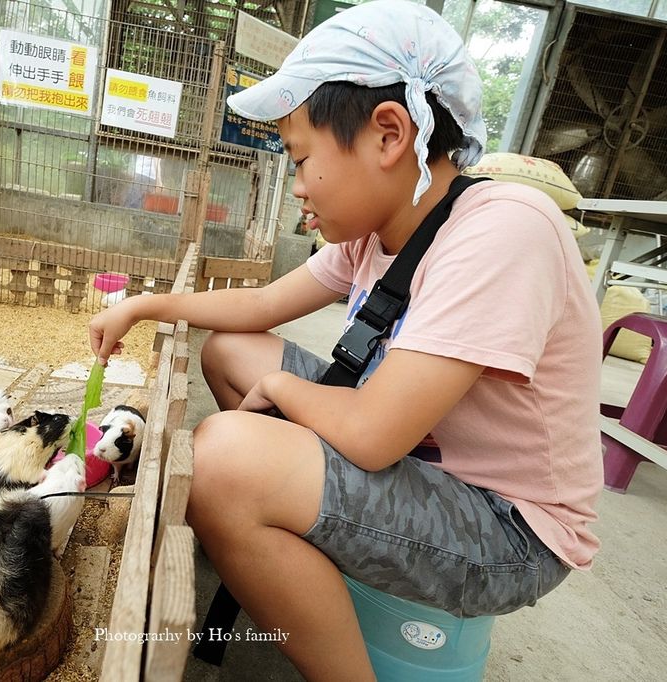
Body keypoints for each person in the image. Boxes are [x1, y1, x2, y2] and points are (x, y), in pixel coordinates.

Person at [88, 1, 603, 679]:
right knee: (228, 352)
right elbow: (264, 303)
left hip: (506, 528)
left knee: (222, 461)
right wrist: (146, 306)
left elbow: (373, 436)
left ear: (388, 135)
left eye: (301, 160)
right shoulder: (378, 228)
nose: (297, 187)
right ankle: (299, 543)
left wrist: (280, 389)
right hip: (422, 460)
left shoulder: (503, 230)